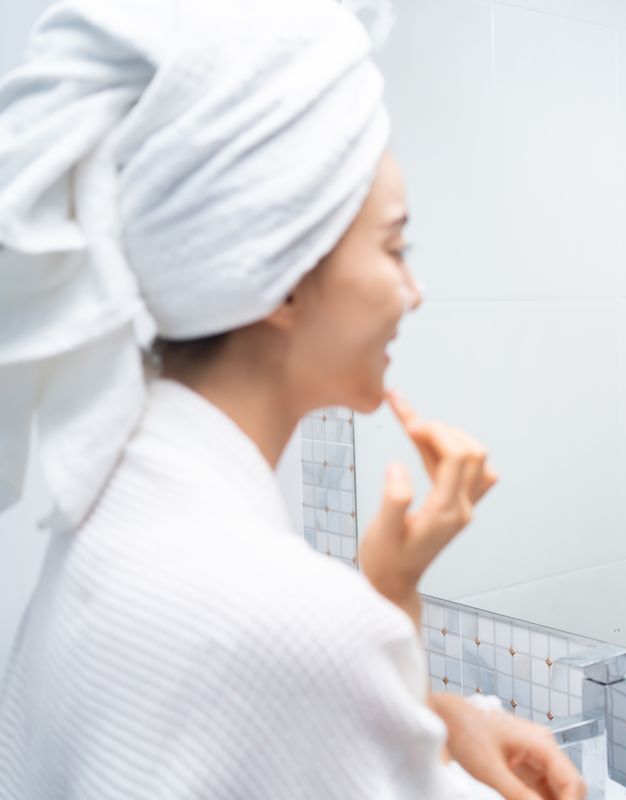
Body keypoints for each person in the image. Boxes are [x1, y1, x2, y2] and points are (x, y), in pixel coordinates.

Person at [0, 1, 585, 797]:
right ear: (277, 274)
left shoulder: (109, 512)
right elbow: (293, 668)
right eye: (394, 247)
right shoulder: (290, 624)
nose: (414, 292)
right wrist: (380, 614)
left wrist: (431, 708)